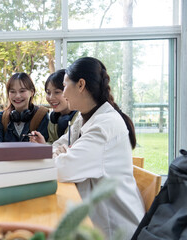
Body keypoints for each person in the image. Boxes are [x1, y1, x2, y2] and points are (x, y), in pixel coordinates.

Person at [51, 57, 145, 239]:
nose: (63, 94)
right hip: (95, 221)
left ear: (80, 85)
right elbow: (58, 145)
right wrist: (63, 153)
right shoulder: (84, 117)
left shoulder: (104, 124)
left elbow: (62, 169)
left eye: (64, 86)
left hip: (116, 231)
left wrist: (64, 154)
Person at [0, 72, 49, 142]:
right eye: (12, 91)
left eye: (22, 91)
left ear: (32, 92)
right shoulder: (0, 118)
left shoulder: (41, 116)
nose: (17, 96)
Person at [29, 69, 80, 144]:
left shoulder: (80, 117)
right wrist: (43, 144)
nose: (51, 98)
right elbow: (52, 143)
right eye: (48, 93)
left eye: (57, 92)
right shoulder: (53, 118)